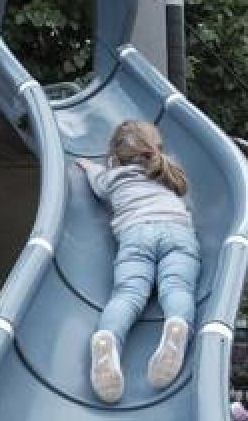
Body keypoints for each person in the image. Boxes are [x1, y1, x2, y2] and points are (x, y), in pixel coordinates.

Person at [76, 120, 200, 404]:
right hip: (178, 232)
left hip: (135, 235)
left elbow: (97, 183)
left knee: (128, 294)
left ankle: (107, 337)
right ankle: (177, 325)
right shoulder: (167, 172)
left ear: (116, 156)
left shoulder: (112, 177)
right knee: (177, 288)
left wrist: (89, 166)